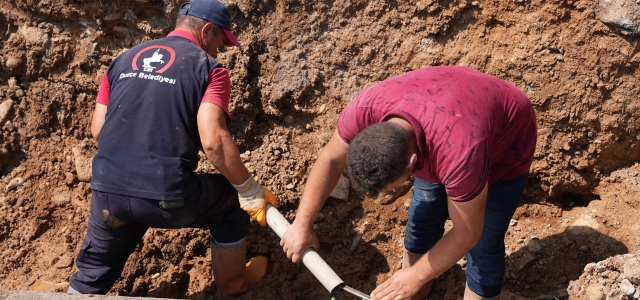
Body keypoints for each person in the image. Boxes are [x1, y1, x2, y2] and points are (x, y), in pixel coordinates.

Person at [67, 0, 277, 298]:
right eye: (220, 40)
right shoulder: (210, 69)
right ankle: (234, 286)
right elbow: (213, 140)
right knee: (232, 201)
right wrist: (249, 189)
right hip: (166, 198)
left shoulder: (122, 59)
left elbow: (98, 130)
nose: (219, 49)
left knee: (93, 272)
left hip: (108, 190)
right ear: (207, 30)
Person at [280, 66, 537, 300]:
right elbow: (330, 159)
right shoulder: (363, 111)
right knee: (422, 219)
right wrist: (302, 224)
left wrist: (415, 276)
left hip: (505, 138)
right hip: (445, 108)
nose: (389, 194)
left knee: (484, 245)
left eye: (393, 186)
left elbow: (468, 232)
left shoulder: (460, 152)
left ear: (412, 162)